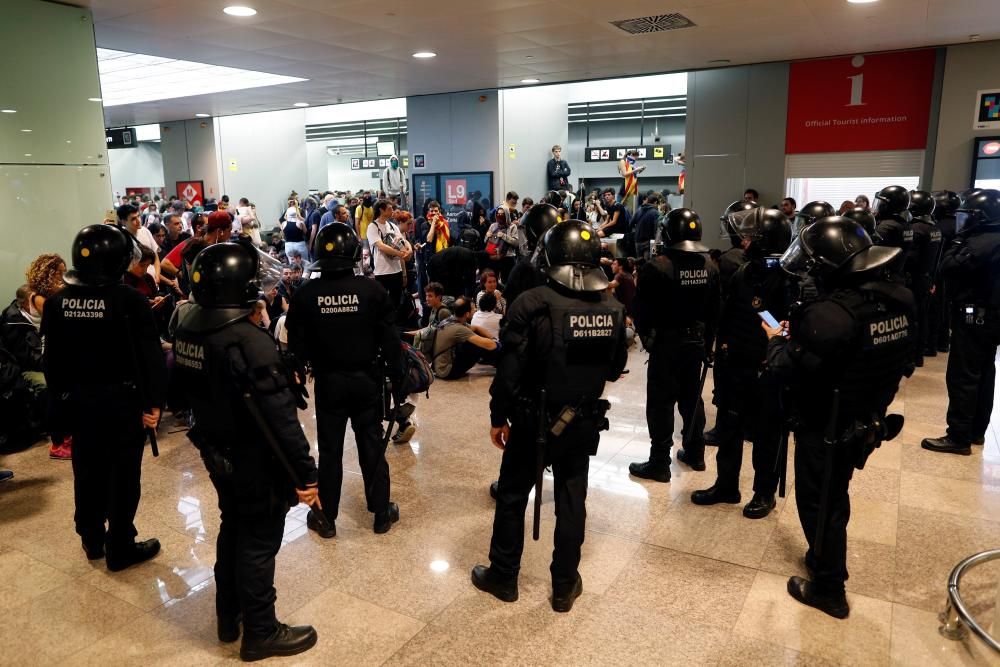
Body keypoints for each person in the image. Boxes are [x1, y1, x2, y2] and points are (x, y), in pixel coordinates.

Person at [171, 240, 319, 660]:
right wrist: (307, 474)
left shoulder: (188, 328)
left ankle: (228, 615)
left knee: (232, 526)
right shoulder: (247, 340)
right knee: (258, 539)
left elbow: (178, 397)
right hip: (255, 457)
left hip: (216, 451)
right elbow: (281, 419)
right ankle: (261, 631)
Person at [472, 219, 627, 613]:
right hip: (583, 420)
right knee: (573, 499)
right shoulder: (612, 307)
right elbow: (613, 369)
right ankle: (564, 585)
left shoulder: (531, 302)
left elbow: (509, 373)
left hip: (530, 419)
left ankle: (504, 577)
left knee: (511, 495)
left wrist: (497, 417)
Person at [767, 216, 913, 618]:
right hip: (867, 417)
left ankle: (829, 587)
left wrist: (777, 344)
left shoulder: (830, 316)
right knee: (835, 497)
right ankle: (823, 560)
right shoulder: (898, 298)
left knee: (822, 501)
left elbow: (787, 368)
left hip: (827, 424)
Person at [42, 224, 166, 569]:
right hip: (123, 405)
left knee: (87, 470)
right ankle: (121, 546)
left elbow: (50, 361)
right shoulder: (129, 300)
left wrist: (64, 400)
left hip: (78, 404)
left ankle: (92, 538)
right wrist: (154, 402)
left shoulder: (57, 302)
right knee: (123, 476)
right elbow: (150, 358)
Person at [286, 222, 403, 536]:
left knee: (331, 451)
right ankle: (381, 513)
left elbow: (294, 346)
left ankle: (327, 518)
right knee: (371, 445)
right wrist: (399, 377)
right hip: (367, 381)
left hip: (329, 383)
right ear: (354, 252)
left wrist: (296, 379)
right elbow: (391, 340)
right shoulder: (372, 290)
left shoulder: (306, 294)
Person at [693, 207, 793, 519]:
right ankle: (726, 485)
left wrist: (764, 324)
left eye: (750, 236)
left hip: (766, 369)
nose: (744, 241)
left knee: (766, 434)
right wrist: (719, 348)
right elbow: (731, 311)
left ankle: (764, 493)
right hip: (734, 361)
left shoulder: (788, 278)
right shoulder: (745, 270)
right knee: (729, 426)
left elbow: (784, 326)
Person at [629, 209, 720, 480]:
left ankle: (659, 462)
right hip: (696, 342)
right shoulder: (710, 267)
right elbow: (716, 311)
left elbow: (641, 310)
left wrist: (648, 339)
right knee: (692, 398)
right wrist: (708, 345)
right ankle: (695, 453)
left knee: (661, 401)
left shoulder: (656, 267)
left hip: (667, 344)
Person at [922, 190, 1000, 455]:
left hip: (974, 313)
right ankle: (976, 430)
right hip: (990, 314)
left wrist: (957, 241)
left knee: (963, 374)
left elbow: (948, 267)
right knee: (984, 370)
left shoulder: (981, 242)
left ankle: (958, 435)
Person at [908, 190, 944, 367]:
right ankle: (918, 355)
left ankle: (912, 355)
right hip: (927, 277)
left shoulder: (916, 229)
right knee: (922, 317)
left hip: (913, 279)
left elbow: (910, 258)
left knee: (913, 318)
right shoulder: (934, 228)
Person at [926, 190, 961, 355]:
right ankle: (944, 341)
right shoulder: (961, 224)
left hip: (940, 272)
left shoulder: (939, 227)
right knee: (947, 308)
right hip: (957, 274)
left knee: (937, 308)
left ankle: (934, 343)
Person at [431, 297, 498, 379]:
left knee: (476, 338)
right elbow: (490, 345)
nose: (475, 310)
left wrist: (493, 338)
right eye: (473, 309)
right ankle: (503, 363)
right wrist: (497, 343)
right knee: (475, 345)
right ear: (467, 314)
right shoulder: (459, 329)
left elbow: (477, 328)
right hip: (447, 371)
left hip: (439, 366)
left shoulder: (451, 320)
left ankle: (499, 362)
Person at [367, 199, 411, 306]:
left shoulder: (392, 226)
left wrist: (409, 250)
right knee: (382, 304)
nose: (392, 211)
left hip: (397, 271)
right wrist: (400, 253)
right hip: (382, 272)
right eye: (390, 209)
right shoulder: (373, 227)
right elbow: (381, 246)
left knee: (396, 302)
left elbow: (404, 242)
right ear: (381, 210)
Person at [873, 185, 914, 281]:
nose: (878, 206)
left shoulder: (886, 226)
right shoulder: (906, 224)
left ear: (889, 205)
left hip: (882, 279)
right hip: (897, 276)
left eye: (881, 203)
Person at [118, 203, 161, 282]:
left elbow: (156, 258)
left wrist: (157, 276)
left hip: (152, 281)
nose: (138, 220)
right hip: (136, 283)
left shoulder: (145, 231)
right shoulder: (121, 237)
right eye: (133, 219)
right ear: (123, 221)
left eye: (138, 216)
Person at [484, 207, 519, 283]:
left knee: (507, 281)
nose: (500, 216)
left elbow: (516, 243)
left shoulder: (512, 227)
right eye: (498, 214)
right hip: (494, 257)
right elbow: (485, 241)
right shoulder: (493, 226)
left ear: (506, 215)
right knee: (493, 280)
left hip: (508, 257)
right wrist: (487, 236)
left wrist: (504, 236)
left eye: (502, 214)